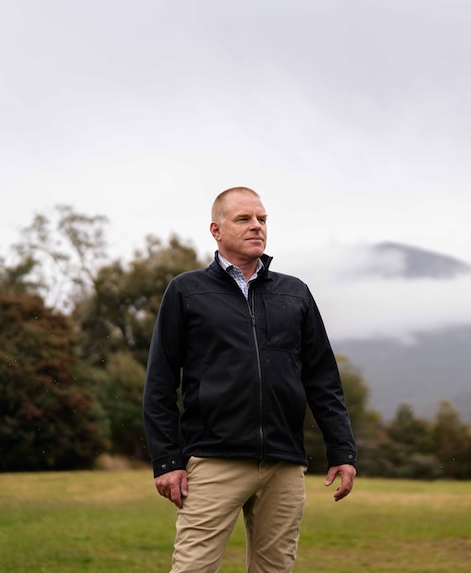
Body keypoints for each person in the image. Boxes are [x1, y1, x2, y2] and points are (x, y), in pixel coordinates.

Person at [143, 186, 357, 573]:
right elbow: (160, 382)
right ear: (216, 230)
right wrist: (166, 460)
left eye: (262, 219)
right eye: (243, 219)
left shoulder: (295, 293)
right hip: (213, 460)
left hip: (284, 463)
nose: (256, 226)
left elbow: (323, 380)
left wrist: (342, 450)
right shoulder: (186, 291)